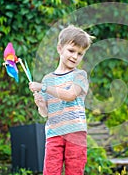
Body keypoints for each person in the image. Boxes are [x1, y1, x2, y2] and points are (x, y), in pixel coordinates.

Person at [29, 25, 93, 175]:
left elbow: (70, 95)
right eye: (71, 51)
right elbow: (45, 114)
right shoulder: (48, 79)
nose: (75, 56)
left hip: (75, 134)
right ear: (59, 48)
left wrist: (43, 88)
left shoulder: (80, 75)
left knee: (74, 172)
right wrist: (41, 104)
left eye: (80, 54)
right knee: (50, 172)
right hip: (54, 134)